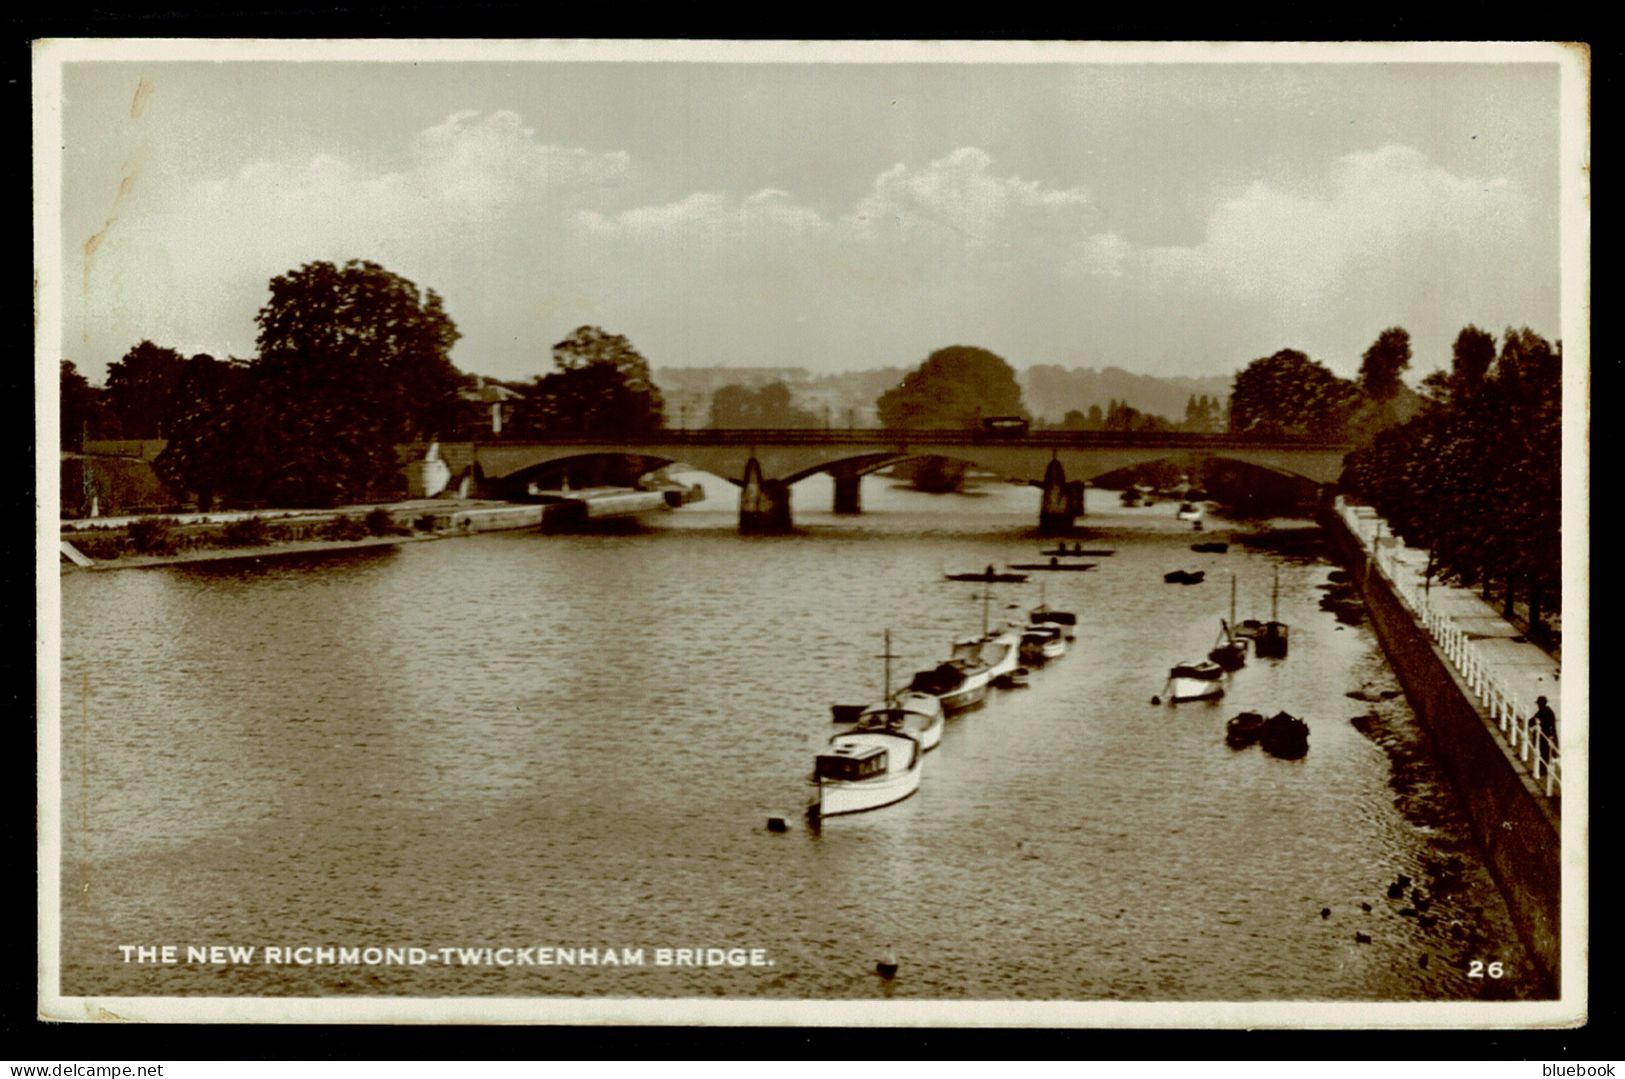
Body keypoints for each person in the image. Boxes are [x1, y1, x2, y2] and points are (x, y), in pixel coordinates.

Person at [1532, 696, 1557, 769]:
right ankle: (1543, 768)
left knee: (1545, 753)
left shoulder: (1545, 711)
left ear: (1541, 704)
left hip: (1547, 736)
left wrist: (1551, 736)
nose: (1538, 706)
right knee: (1544, 753)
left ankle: (1543, 769)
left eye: (1538, 704)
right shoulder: (1545, 710)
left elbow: (1532, 721)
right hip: (1546, 735)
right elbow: (1532, 720)